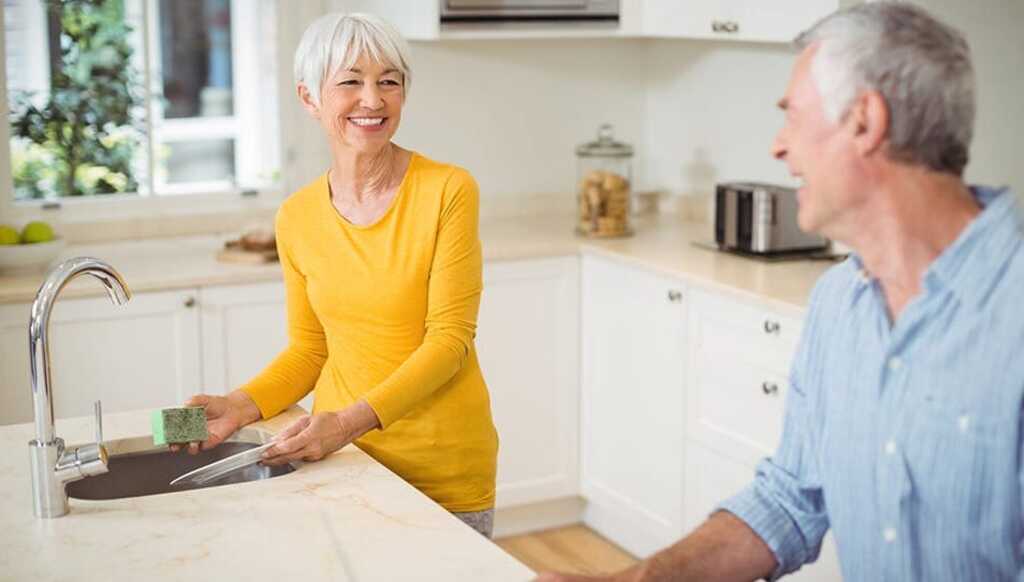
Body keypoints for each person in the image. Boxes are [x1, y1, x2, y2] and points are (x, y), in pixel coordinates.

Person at [538, 2, 1024, 580]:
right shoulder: (839, 303)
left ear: (865, 121)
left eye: (791, 116)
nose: (777, 146)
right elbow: (791, 498)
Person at [174, 13, 499, 538]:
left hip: (443, 466)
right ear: (310, 98)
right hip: (345, 463)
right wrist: (240, 404)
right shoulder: (297, 217)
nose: (372, 100)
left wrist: (347, 422)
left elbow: (450, 341)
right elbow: (310, 349)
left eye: (388, 81)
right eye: (350, 81)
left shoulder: (448, 191)